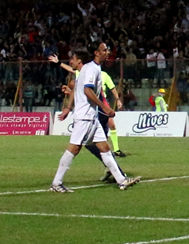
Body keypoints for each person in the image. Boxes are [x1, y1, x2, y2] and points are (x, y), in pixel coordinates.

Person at [50, 49, 139, 193]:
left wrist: (69, 104)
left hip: (91, 117)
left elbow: (81, 90)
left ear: (79, 61)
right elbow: (86, 91)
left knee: (104, 148)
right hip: (84, 117)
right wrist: (104, 107)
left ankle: (121, 180)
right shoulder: (87, 70)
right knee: (74, 148)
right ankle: (56, 183)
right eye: (105, 49)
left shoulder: (86, 71)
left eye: (72, 59)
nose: (71, 61)